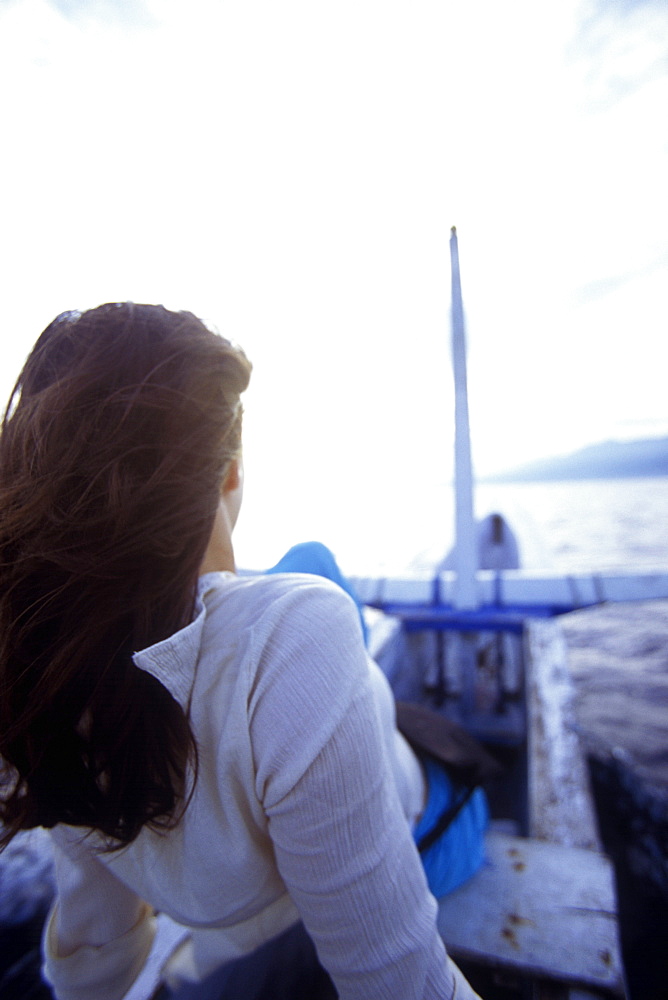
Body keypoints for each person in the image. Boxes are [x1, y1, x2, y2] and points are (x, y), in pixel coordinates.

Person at [0, 303, 484, 1000]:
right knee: (316, 578)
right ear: (229, 474)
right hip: (432, 818)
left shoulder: (47, 671)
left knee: (310, 564)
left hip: (280, 751)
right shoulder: (297, 636)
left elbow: (93, 931)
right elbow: (402, 980)